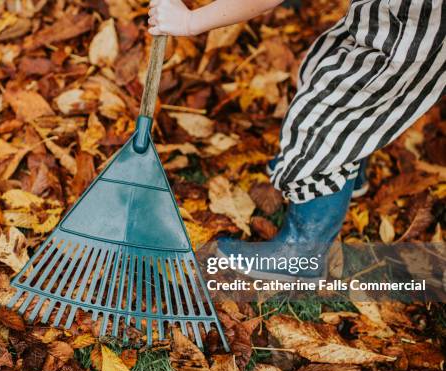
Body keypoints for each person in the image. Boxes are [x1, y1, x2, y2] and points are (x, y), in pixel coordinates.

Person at [148, 0, 445, 279]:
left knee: (326, 116)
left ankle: (302, 252)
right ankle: (349, 174)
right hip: (395, 15)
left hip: (416, 31)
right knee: (330, 67)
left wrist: (189, 21)